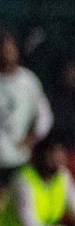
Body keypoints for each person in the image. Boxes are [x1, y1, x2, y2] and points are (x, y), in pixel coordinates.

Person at [0, 28, 53, 183]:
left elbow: (44, 115)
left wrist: (32, 138)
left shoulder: (28, 81)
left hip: (20, 158)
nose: (7, 53)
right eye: (3, 49)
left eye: (11, 49)